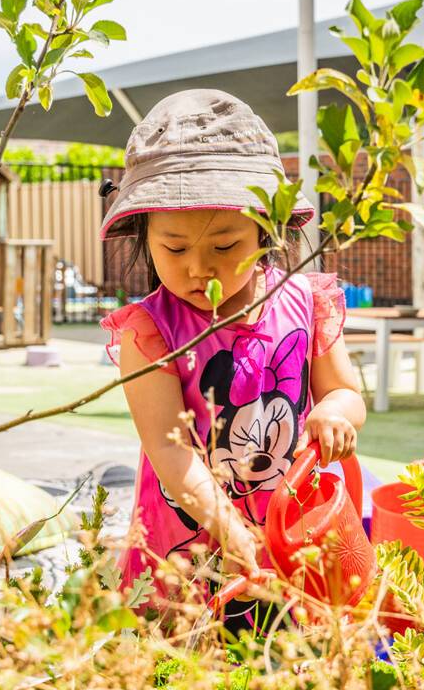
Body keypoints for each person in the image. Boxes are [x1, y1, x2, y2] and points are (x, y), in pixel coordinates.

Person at [99, 89, 365, 628]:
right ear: (144, 238)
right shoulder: (150, 333)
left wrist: (335, 413)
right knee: (191, 680)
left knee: (291, 671)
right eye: (174, 249)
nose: (199, 268)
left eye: (225, 246)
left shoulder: (306, 303)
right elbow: (169, 454)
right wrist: (233, 531)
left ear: (267, 230)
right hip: (188, 547)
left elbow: (347, 393)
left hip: (294, 538)